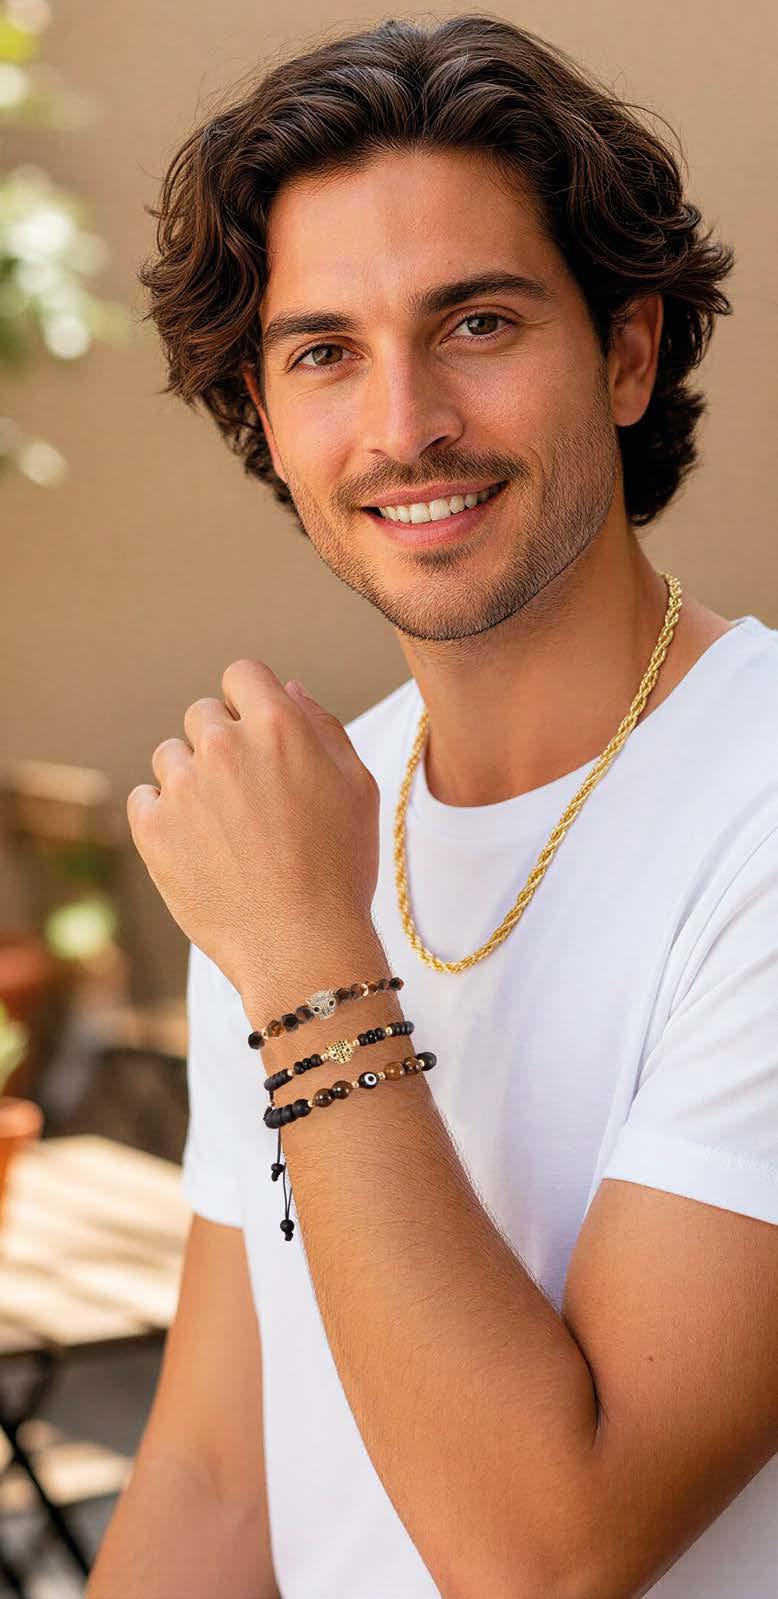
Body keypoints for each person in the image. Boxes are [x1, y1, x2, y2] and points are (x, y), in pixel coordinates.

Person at [87, 15, 778, 1599]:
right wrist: (285, 924)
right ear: (263, 413)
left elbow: (553, 1552)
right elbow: (216, 1480)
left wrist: (303, 959)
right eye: (322, 351)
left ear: (625, 353)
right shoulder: (294, 827)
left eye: (474, 322)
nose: (403, 425)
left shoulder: (749, 803)